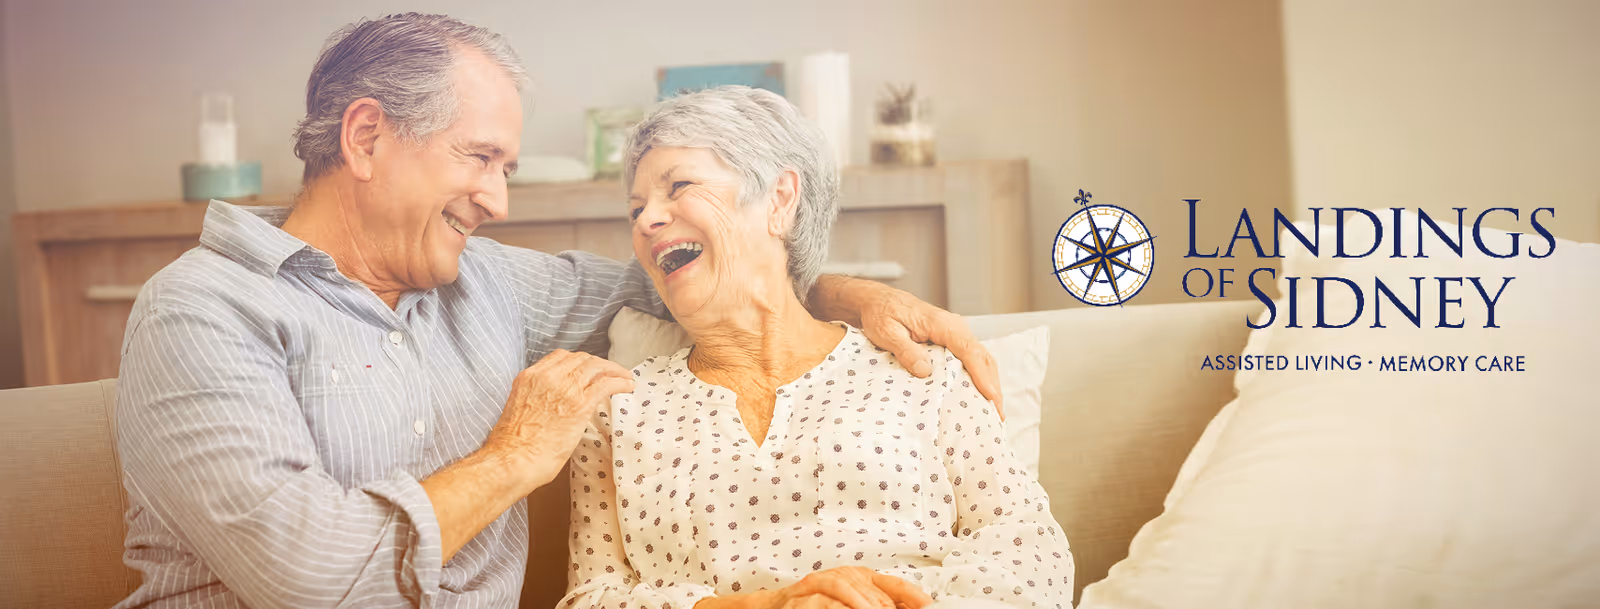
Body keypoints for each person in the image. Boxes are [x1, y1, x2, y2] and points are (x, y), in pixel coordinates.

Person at [113, 14, 1000, 608]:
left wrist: (851, 292)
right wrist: (510, 459)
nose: (498, 199)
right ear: (367, 137)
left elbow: (700, 277)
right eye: (482, 158)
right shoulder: (200, 312)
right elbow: (306, 574)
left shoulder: (486, 282)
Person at [561, 87, 1071, 609]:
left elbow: (1027, 551)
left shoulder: (922, 372)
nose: (647, 220)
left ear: (780, 200)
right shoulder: (617, 410)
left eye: (679, 187)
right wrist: (771, 606)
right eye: (636, 209)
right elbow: (590, 598)